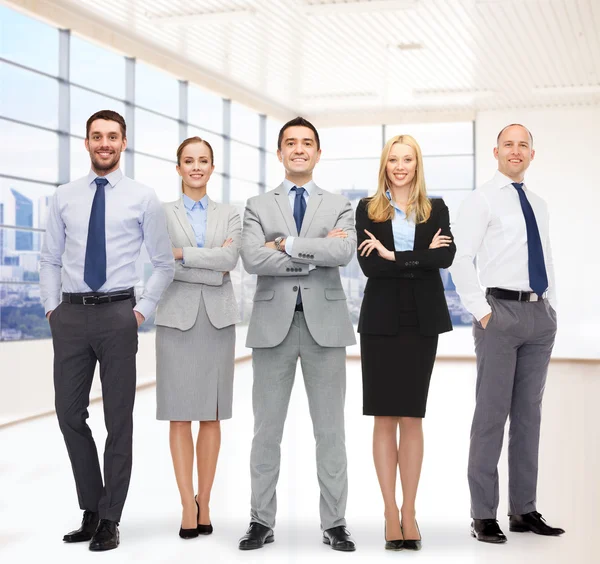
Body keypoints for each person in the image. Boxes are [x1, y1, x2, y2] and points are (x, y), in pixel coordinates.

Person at [39, 110, 174, 551]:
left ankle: (110, 517)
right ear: (86, 142)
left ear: (124, 142)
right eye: (97, 136)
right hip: (72, 316)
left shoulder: (144, 198)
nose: (105, 143)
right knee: (68, 414)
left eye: (112, 136)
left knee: (119, 420)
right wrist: (51, 310)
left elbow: (163, 263)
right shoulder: (63, 197)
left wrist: (140, 312)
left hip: (119, 315)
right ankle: (91, 508)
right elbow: (49, 260)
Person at [238, 117, 357, 552]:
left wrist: (284, 244)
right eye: (291, 143)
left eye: (307, 143)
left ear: (318, 153)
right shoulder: (256, 203)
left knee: (330, 432)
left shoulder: (341, 204)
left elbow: (343, 252)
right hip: (273, 329)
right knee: (266, 431)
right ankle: (260, 521)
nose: (299, 149)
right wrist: (313, 252)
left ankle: (336, 523)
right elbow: (251, 258)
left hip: (326, 328)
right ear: (280, 152)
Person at [450, 124, 564, 543]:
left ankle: (523, 510)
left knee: (529, 417)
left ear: (533, 154)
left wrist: (552, 307)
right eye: (509, 145)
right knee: (491, 416)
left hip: (539, 315)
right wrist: (482, 312)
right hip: (498, 314)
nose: (516, 151)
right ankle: (483, 514)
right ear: (496, 151)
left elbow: (546, 254)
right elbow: (459, 257)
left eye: (523, 145)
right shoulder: (482, 199)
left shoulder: (538, 203)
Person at [355, 134, 455, 551]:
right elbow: (367, 266)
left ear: (417, 164)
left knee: (412, 417)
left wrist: (394, 256)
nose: (400, 166)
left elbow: (444, 259)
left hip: (421, 321)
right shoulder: (367, 209)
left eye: (407, 159)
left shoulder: (437, 209)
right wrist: (417, 257)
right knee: (383, 418)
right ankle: (388, 512)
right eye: (393, 159)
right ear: (384, 165)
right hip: (379, 321)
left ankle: (409, 512)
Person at [154, 136, 241, 539]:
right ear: (178, 168)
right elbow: (160, 262)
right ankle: (185, 502)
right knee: (178, 413)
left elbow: (230, 261)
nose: (196, 167)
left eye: (203, 160)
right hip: (175, 321)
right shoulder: (161, 213)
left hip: (218, 321)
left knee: (211, 413)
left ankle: (205, 501)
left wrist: (182, 254)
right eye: (188, 160)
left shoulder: (231, 214)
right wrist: (209, 263)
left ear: (212, 167)